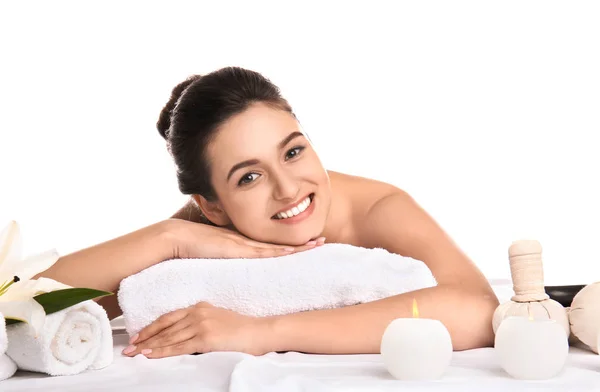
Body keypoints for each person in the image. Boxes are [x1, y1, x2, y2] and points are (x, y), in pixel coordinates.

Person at [35, 67, 499, 359]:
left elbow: (478, 312)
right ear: (211, 206)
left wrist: (262, 332)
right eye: (249, 177)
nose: (288, 188)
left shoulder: (378, 211)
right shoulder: (207, 228)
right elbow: (26, 302)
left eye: (293, 152)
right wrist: (168, 238)